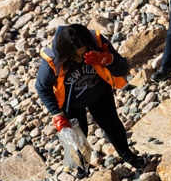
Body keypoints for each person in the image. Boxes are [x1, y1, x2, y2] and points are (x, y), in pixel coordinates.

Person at [35, 24, 145, 172]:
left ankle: (128, 156)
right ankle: (82, 171)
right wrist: (57, 114)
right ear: (67, 53)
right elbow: (42, 87)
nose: (80, 60)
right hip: (70, 102)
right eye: (76, 56)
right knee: (79, 138)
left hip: (99, 91)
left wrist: (108, 60)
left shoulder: (96, 41)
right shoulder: (53, 59)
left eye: (83, 54)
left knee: (112, 126)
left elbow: (123, 69)